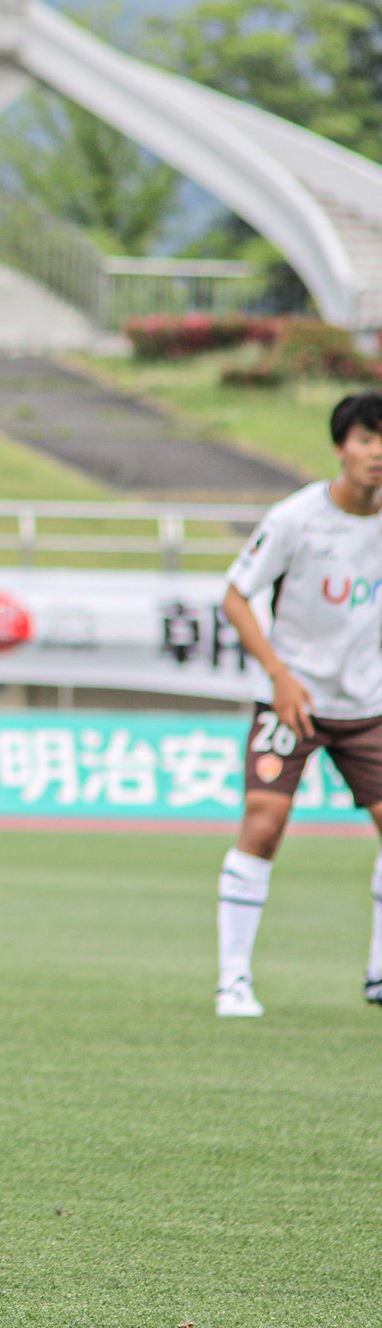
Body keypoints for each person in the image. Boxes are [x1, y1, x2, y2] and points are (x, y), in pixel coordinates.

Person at [216, 391, 382, 1018]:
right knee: (264, 822)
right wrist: (280, 675)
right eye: (366, 439)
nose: (377, 453)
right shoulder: (296, 519)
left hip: (367, 704)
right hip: (293, 701)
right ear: (341, 447)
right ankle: (233, 980)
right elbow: (235, 596)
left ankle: (379, 972)